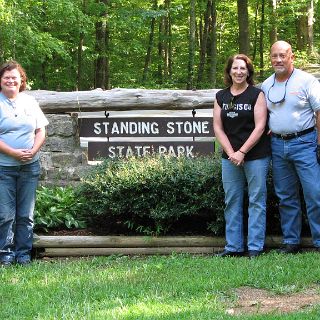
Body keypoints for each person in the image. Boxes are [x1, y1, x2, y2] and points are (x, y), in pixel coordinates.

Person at [261, 40, 320, 254]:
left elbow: (319, 112)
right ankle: (291, 242)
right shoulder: (266, 85)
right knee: (286, 196)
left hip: (305, 142)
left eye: (282, 55)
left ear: (291, 57)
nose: (278, 59)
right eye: (274, 55)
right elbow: (264, 115)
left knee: (315, 193)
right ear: (270, 58)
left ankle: (319, 241)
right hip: (277, 144)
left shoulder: (307, 81)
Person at [213, 54, 271, 258]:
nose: (239, 72)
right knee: (232, 201)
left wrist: (242, 152)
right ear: (229, 71)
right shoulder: (221, 96)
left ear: (249, 72)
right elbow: (217, 128)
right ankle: (233, 247)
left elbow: (260, 127)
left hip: (256, 156)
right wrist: (231, 153)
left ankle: (255, 247)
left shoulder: (257, 94)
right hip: (230, 158)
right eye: (235, 68)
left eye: (243, 69)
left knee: (256, 200)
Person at [0, 61, 49, 266]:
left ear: (22, 81)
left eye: (15, 77)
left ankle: (23, 255)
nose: (11, 80)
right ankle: (5, 254)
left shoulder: (30, 102)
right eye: (6, 78)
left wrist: (33, 150)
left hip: (30, 166)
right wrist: (13, 152)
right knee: (5, 214)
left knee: (26, 215)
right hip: (4, 167)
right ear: (0, 81)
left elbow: (41, 130)